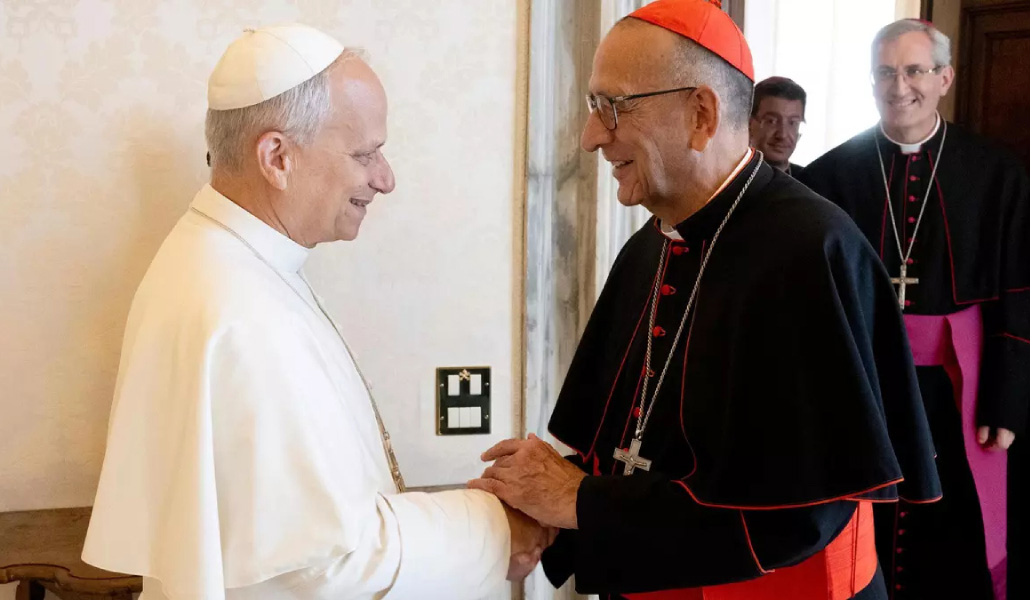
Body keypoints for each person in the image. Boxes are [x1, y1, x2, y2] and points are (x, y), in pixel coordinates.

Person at [468, 1, 941, 599]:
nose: (591, 138)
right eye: (594, 107)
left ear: (701, 113)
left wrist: (580, 501)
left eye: (611, 108)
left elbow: (798, 515)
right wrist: (542, 513)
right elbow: (620, 452)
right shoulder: (651, 244)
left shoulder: (809, 250)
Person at [82, 24, 550, 600]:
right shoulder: (238, 308)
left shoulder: (233, 264)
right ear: (277, 156)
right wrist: (496, 528)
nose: (386, 178)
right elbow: (328, 567)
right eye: (365, 154)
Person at [800, 18, 1030, 600]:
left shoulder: (997, 174)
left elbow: (1019, 291)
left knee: (954, 522)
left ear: (945, 77)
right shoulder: (830, 175)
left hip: (961, 386)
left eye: (915, 70)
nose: (898, 85)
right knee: (864, 515)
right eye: (884, 72)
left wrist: (1008, 396)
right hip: (865, 382)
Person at [749, 76, 807, 176]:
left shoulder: (812, 183)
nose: (782, 135)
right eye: (771, 121)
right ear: (749, 124)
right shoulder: (725, 179)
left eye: (792, 123)